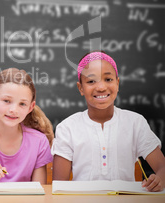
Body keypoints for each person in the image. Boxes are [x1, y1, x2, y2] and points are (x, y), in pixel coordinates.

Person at [52, 51, 165, 192]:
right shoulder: (67, 128)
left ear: (117, 83)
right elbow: (59, 187)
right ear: (81, 88)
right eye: (91, 81)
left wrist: (160, 179)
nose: (101, 87)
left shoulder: (135, 123)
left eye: (108, 79)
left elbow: (162, 168)